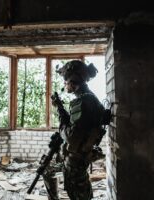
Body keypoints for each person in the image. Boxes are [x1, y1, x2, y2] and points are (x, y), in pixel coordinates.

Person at [43, 60, 107, 200]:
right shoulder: (87, 98)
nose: (65, 85)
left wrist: (61, 129)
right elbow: (75, 125)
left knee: (79, 195)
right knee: (47, 168)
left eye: (65, 82)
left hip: (77, 159)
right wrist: (60, 107)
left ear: (73, 82)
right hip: (77, 154)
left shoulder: (83, 101)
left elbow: (71, 137)